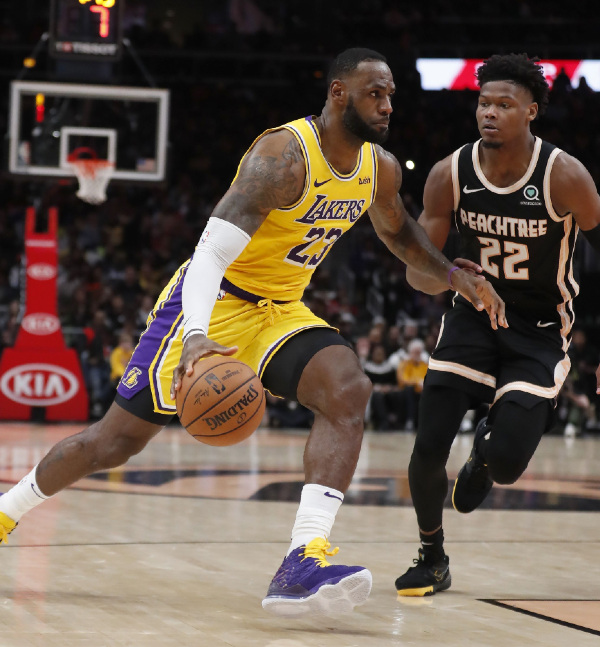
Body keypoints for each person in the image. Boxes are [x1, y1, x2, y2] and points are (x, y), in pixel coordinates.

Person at [0, 48, 503, 617]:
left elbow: (400, 232)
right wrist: (194, 335)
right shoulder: (283, 157)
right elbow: (209, 256)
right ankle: (6, 510)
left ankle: (301, 561)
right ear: (338, 93)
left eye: (390, 95)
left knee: (348, 388)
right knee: (111, 444)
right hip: (213, 302)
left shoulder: (379, 168)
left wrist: (453, 274)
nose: (387, 105)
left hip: (280, 308)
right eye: (374, 93)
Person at [394, 53, 600, 597]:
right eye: (484, 103)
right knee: (429, 443)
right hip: (472, 318)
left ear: (531, 111)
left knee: (508, 464)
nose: (489, 112)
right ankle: (431, 556)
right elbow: (417, 273)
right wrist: (450, 277)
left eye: (504, 104)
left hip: (539, 328)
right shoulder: (450, 173)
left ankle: (485, 455)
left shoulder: (564, 175)